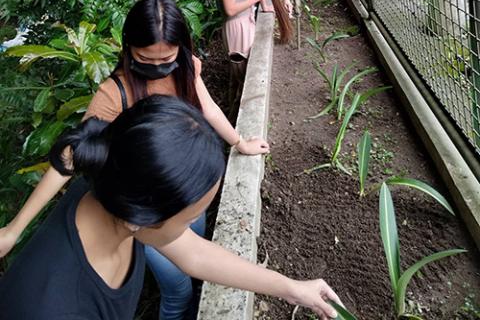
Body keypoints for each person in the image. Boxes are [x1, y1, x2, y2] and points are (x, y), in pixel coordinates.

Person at [0, 0, 269, 320]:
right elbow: (74, 154)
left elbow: (208, 107)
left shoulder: (187, 67)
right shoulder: (114, 95)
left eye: (166, 59)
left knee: (192, 255)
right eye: (146, 59)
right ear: (128, 48)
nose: (157, 70)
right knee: (177, 287)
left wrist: (240, 141)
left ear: (182, 49)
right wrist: (14, 229)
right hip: (147, 211)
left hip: (186, 196)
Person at [0, 97, 342, 320]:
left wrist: (293, 288)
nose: (192, 228)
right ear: (142, 218)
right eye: (190, 218)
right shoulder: (50, 306)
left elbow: (195, 254)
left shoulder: (113, 195)